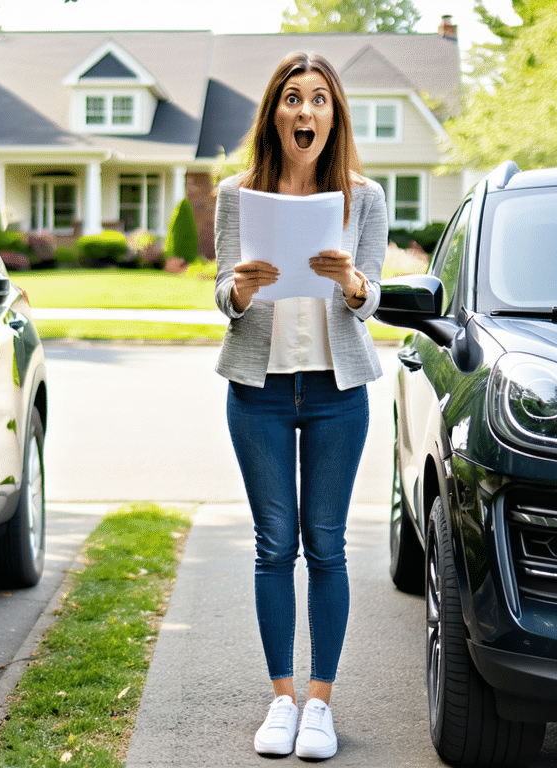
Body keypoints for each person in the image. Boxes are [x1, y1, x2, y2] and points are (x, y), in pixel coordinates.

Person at [213, 51, 387, 761]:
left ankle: (320, 705)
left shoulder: (363, 198)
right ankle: (280, 699)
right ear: (274, 114)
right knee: (272, 546)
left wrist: (351, 281)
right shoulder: (236, 194)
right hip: (258, 389)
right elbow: (222, 295)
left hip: (334, 392)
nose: (305, 111)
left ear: (333, 115)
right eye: (292, 99)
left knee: (327, 545)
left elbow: (371, 301)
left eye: (318, 100)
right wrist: (243, 291)